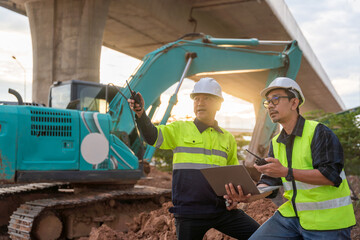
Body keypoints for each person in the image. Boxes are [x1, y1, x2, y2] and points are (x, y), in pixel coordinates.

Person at [128, 77, 259, 240]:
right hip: (189, 214)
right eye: (196, 98)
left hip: (221, 211)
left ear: (218, 104)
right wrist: (141, 114)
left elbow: (232, 178)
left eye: (207, 98)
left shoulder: (228, 138)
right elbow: (152, 136)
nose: (200, 102)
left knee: (260, 235)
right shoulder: (180, 129)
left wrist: (234, 199)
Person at [226, 77, 356, 239]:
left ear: (294, 103)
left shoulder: (319, 133)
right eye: (267, 102)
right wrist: (248, 196)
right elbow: (270, 182)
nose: (270, 105)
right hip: (293, 216)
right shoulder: (276, 142)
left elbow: (331, 176)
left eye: (276, 99)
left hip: (328, 221)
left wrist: (285, 171)